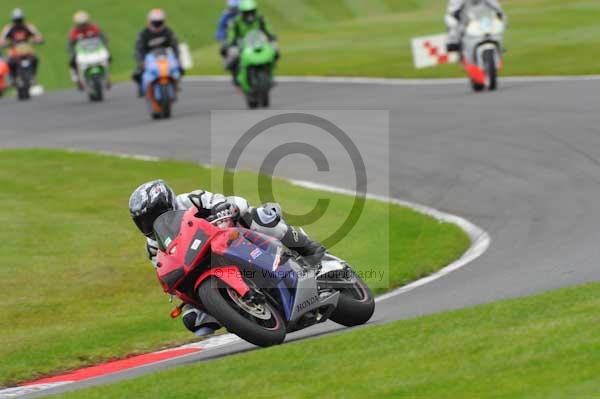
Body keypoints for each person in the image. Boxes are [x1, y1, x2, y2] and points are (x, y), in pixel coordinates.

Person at [129, 180, 326, 337]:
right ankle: (238, 311)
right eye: (144, 221)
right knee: (193, 319)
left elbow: (226, 201)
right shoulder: (154, 246)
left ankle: (306, 247)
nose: (151, 223)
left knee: (259, 216)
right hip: (200, 264)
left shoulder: (190, 200)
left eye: (155, 215)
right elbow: (164, 269)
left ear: (168, 202)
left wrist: (224, 208)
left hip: (230, 234)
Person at [224, 0, 278, 85]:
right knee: (233, 55)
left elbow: (268, 30)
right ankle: (236, 75)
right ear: (242, 12)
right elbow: (231, 34)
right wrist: (231, 43)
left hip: (259, 42)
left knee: (275, 50)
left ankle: (269, 74)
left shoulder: (260, 19)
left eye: (251, 12)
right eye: (247, 13)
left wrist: (272, 37)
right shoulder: (235, 22)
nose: (249, 15)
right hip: (242, 44)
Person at [132, 9, 181, 97]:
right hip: (149, 59)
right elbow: (138, 49)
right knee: (137, 74)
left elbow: (175, 45)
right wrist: (141, 61)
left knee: (180, 69)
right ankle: (143, 88)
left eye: (159, 22)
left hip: (165, 57)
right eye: (155, 22)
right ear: (150, 22)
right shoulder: (144, 33)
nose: (157, 25)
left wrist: (177, 58)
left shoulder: (168, 32)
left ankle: (175, 85)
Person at [67, 11, 110, 90]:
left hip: (95, 50)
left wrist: (106, 47)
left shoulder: (94, 27)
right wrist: (72, 53)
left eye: (84, 24)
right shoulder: (74, 31)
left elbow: (103, 38)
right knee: (72, 63)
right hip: (82, 52)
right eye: (81, 25)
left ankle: (107, 77)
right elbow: (70, 44)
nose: (83, 26)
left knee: (108, 58)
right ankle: (77, 80)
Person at [0, 8, 43, 84]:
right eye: (16, 20)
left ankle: (33, 75)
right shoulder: (9, 28)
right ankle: (12, 78)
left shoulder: (28, 26)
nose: (18, 23)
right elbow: (2, 38)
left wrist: (38, 39)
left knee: (35, 59)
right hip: (14, 50)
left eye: (19, 20)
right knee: (9, 62)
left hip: (27, 49)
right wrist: (4, 43)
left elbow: (37, 35)